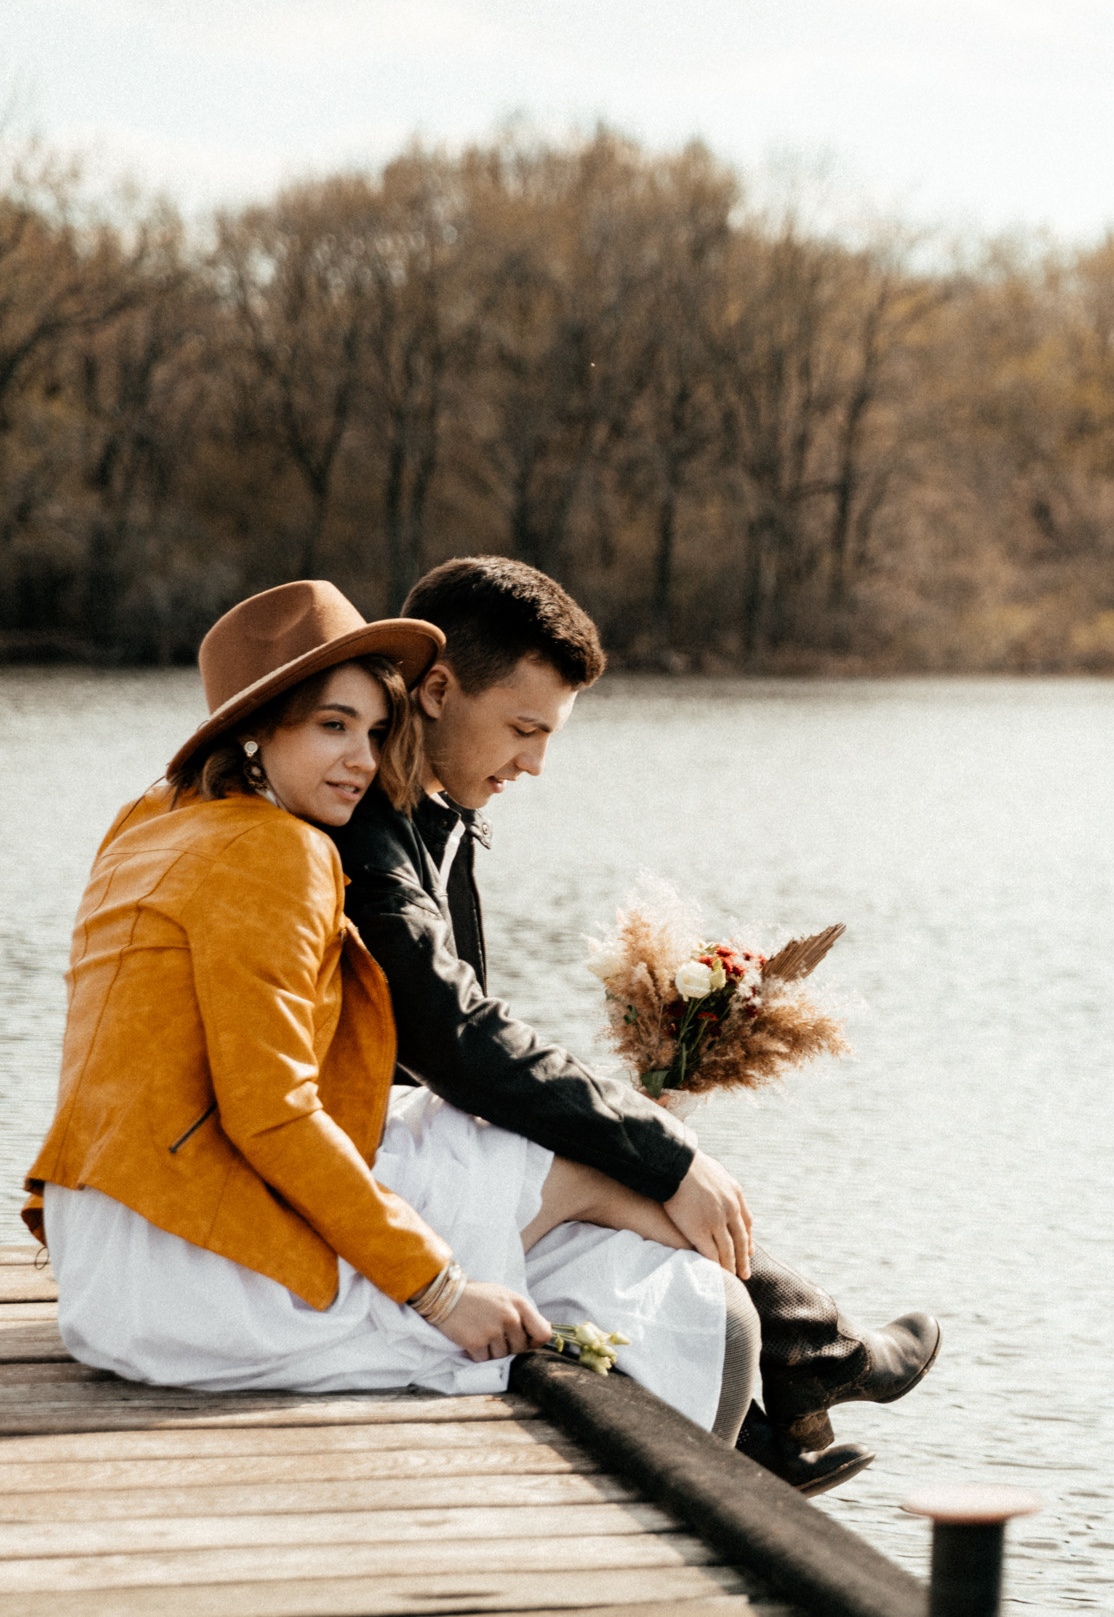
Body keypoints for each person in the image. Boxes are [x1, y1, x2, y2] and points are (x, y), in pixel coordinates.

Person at [25, 582, 755, 1438]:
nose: (364, 761)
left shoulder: (149, 823)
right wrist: (442, 1291)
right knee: (579, 1177)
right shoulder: (278, 851)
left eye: (375, 731)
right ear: (254, 729)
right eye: (332, 726)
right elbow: (273, 1116)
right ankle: (746, 1362)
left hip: (107, 1249)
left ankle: (750, 1338)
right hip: (195, 1277)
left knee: (524, 1163)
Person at [325, 556, 936, 1493]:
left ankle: (777, 1402)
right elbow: (450, 1034)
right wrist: (657, 1146)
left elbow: (459, 1028)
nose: (536, 762)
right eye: (524, 729)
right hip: (355, 1169)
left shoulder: (425, 811)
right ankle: (811, 1357)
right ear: (438, 691)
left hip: (398, 1139)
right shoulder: (364, 825)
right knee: (648, 1172)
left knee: (628, 1188)